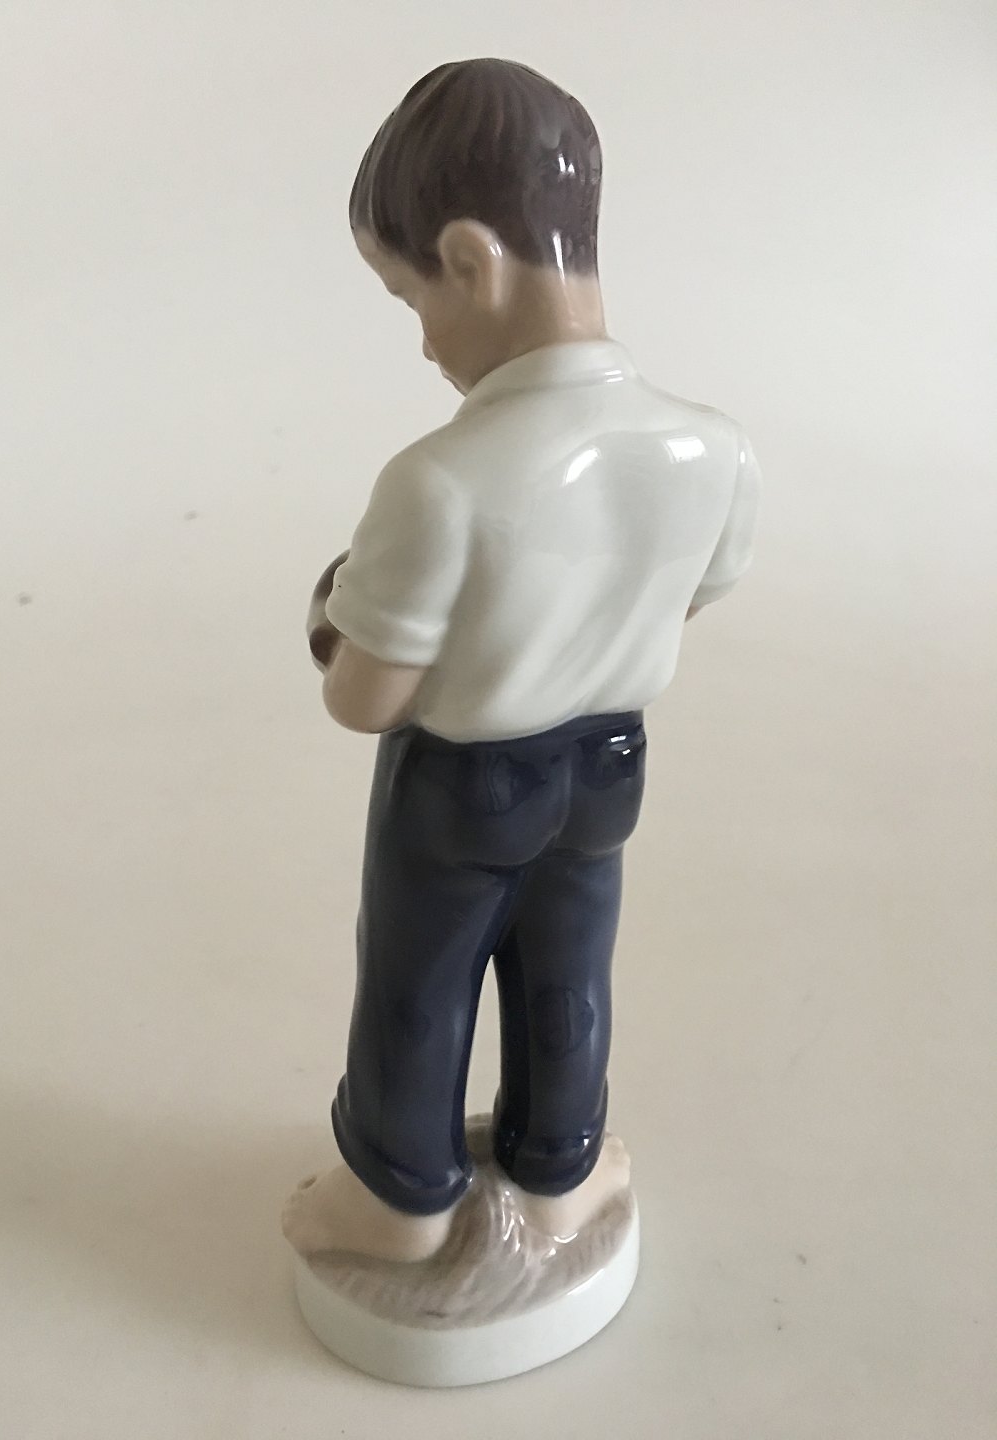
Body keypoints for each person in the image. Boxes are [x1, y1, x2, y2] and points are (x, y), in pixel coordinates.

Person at [283, 58, 760, 1264]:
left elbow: (365, 699)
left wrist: (334, 612)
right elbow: (692, 593)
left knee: (419, 984)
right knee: (569, 974)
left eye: (412, 301)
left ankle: (398, 1197)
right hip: (609, 766)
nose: (423, 342)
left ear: (471, 261)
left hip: (462, 786)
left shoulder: (439, 482)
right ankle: (564, 1174)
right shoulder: (713, 450)